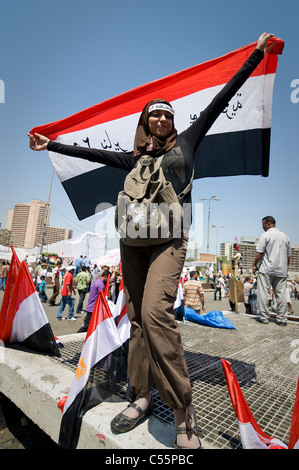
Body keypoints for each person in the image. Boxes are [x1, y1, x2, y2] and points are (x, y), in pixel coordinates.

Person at [28, 33, 275, 449]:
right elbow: (92, 156)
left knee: (157, 314)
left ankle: (182, 408)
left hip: (169, 241)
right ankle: (141, 395)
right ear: (144, 123)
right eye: (154, 116)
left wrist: (255, 54)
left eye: (166, 115)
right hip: (133, 241)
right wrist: (50, 144)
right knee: (138, 319)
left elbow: (221, 98)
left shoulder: (187, 142)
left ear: (174, 122)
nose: (161, 120)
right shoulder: (135, 158)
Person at [253, 216, 291, 326]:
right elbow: (288, 256)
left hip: (266, 269)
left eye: (263, 225)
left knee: (263, 294)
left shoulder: (265, 235)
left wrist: (254, 264)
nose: (262, 227)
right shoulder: (285, 237)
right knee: (281, 295)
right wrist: (286, 268)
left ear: (269, 224)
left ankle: (264, 318)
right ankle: (282, 319)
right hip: (281, 270)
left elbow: (259, 253)